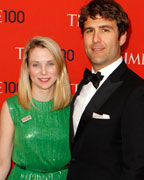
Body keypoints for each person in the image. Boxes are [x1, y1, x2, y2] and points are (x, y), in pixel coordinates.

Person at [67, 0, 144, 179]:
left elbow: (137, 168)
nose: (96, 39)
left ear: (122, 37)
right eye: (89, 31)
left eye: (105, 30)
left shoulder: (137, 92)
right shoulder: (83, 84)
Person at [0, 36, 71, 180]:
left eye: (50, 64)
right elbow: (2, 163)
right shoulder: (12, 107)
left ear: (59, 67)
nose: (43, 72)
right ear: (27, 68)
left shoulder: (73, 107)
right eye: (36, 65)